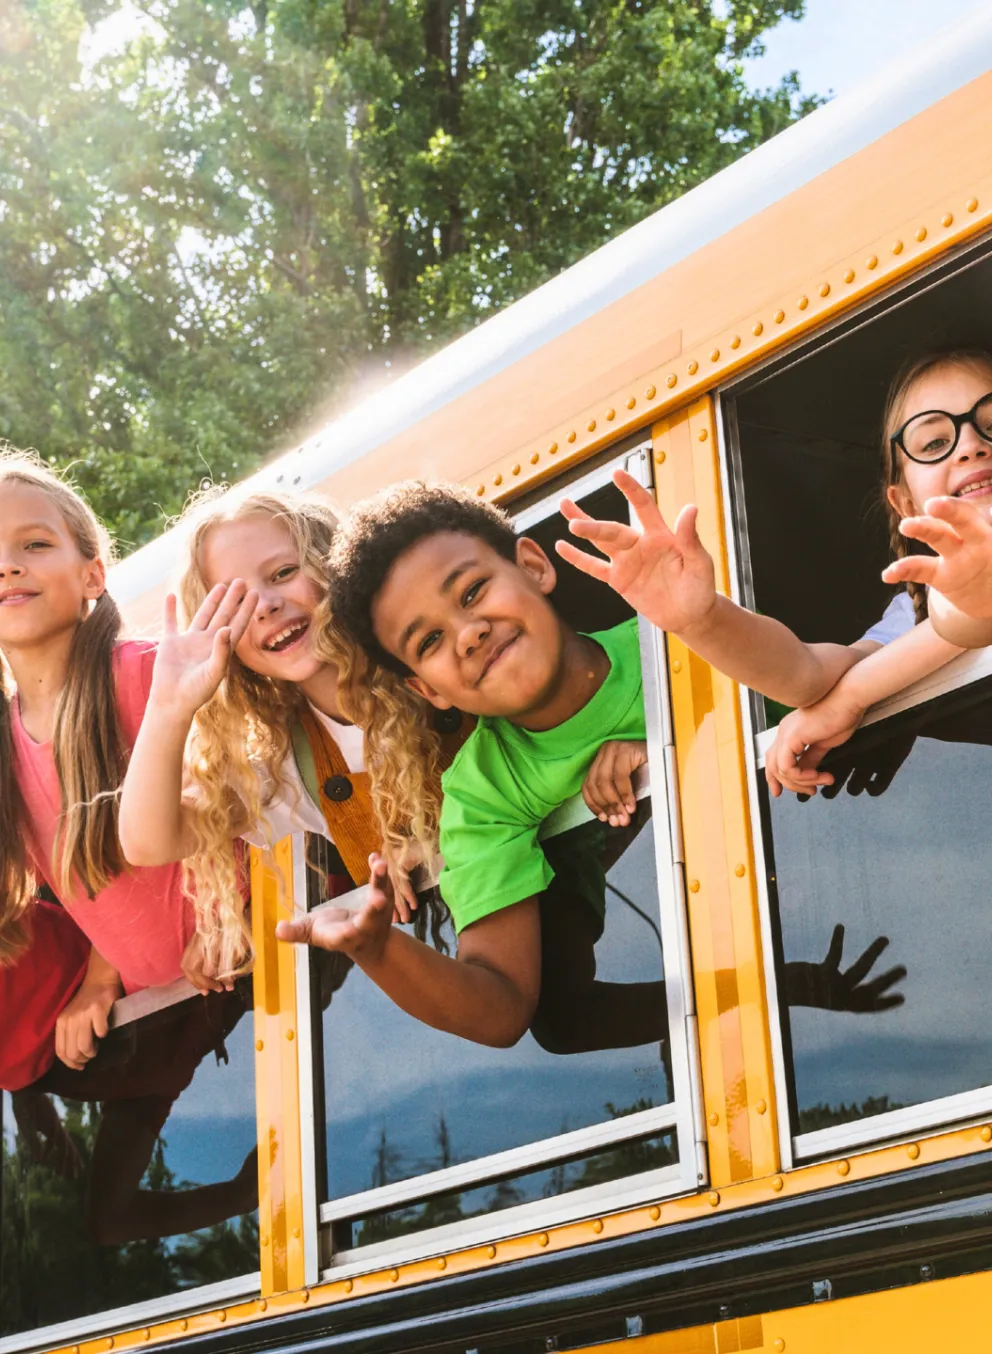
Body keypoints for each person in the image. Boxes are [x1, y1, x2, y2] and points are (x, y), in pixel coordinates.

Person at [274, 481, 906, 1051]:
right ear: (426, 691)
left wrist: (676, 728)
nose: (466, 632)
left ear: (532, 565)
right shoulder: (483, 791)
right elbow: (507, 1011)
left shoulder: (673, 641)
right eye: (430, 642)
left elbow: (832, 680)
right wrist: (382, 950)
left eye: (472, 592)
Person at [0, 448, 254, 1242]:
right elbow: (76, 889)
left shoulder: (151, 677)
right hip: (158, 1017)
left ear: (92, 576)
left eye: (35, 545)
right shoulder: (6, 754)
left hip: (248, 984)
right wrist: (98, 979)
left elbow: (247, 809)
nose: (7, 567)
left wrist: (224, 914)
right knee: (101, 1217)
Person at [555, 350, 992, 798]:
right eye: (935, 444)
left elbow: (969, 615)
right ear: (904, 503)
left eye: (991, 426)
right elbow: (810, 675)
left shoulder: (949, 603)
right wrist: (701, 621)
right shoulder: (914, 606)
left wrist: (852, 698)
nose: (971, 446)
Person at [117, 486, 459, 950]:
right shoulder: (286, 766)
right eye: (236, 603)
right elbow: (147, 843)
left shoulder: (432, 661)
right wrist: (168, 706)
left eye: (283, 573)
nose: (266, 605)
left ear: (335, 564)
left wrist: (436, 845)